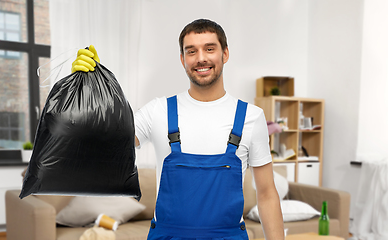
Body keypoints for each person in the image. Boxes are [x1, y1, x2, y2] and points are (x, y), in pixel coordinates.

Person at [72, 19, 284, 240]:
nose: (201, 58)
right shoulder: (157, 111)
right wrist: (88, 87)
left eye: (209, 49)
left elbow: (267, 194)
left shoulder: (252, 117)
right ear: (183, 59)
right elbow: (105, 145)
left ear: (225, 54)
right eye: (191, 51)